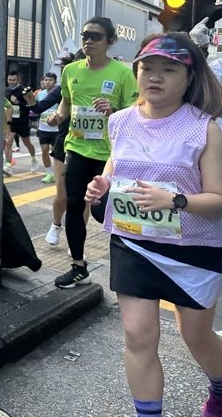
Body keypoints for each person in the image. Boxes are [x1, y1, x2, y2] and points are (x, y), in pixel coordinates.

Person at [85, 33, 222, 417]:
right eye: (148, 67)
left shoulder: (205, 128)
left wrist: (176, 200)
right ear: (137, 71)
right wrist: (102, 186)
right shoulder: (120, 121)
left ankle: (221, 387)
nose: (155, 77)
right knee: (137, 334)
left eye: (169, 69)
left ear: (189, 78)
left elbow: (218, 201)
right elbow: (116, 169)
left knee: (194, 334)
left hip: (194, 249)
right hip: (133, 241)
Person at [47, 17, 138, 287]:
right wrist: (57, 117)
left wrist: (113, 111)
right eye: (85, 34)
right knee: (74, 205)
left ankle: (131, 265)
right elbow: (65, 104)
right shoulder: (71, 70)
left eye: (96, 36)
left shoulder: (123, 73)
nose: (88, 40)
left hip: (110, 155)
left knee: (109, 212)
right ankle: (78, 266)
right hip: (77, 147)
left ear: (110, 41)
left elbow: (136, 114)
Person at [24, 56, 76, 245]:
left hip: (92, 148)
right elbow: (39, 107)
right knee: (62, 195)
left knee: (81, 199)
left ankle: (77, 241)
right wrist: (30, 101)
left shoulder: (103, 86)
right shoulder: (63, 89)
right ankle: (56, 224)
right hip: (64, 144)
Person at [4, 71, 38, 173]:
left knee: (27, 143)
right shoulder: (6, 91)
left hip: (23, 121)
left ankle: (33, 159)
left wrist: (18, 103)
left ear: (18, 79)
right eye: (9, 80)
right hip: (11, 121)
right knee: (8, 142)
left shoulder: (24, 91)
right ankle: (8, 166)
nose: (11, 82)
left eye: (14, 80)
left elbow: (31, 106)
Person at [32, 72, 58, 182]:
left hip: (56, 129)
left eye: (50, 80)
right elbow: (35, 108)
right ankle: (49, 173)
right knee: (44, 150)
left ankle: (58, 172)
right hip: (43, 128)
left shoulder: (59, 93)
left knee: (55, 152)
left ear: (55, 82)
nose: (47, 82)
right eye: (46, 80)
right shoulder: (39, 94)